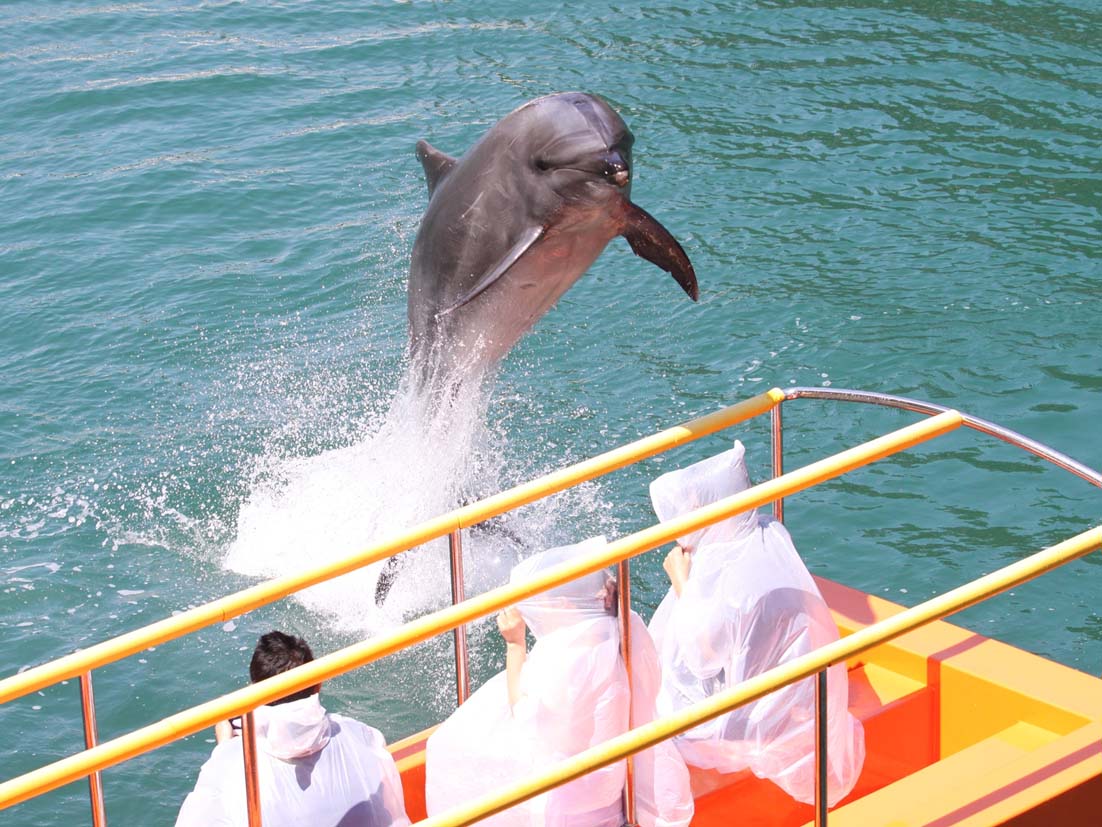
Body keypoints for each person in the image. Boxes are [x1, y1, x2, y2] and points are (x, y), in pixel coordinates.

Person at [648, 440, 865, 807]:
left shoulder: (721, 570)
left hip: (756, 720)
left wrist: (682, 582)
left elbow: (702, 656)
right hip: (805, 698)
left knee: (655, 705)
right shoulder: (769, 533)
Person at [425, 537, 693, 827]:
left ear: (564, 604)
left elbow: (525, 718)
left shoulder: (567, 656)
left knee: (447, 747)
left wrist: (515, 646)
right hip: (619, 782)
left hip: (574, 806)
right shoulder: (627, 623)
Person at [175, 631, 411, 827]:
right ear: (318, 684)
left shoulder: (236, 764)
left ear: (254, 696)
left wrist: (226, 749)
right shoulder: (360, 735)